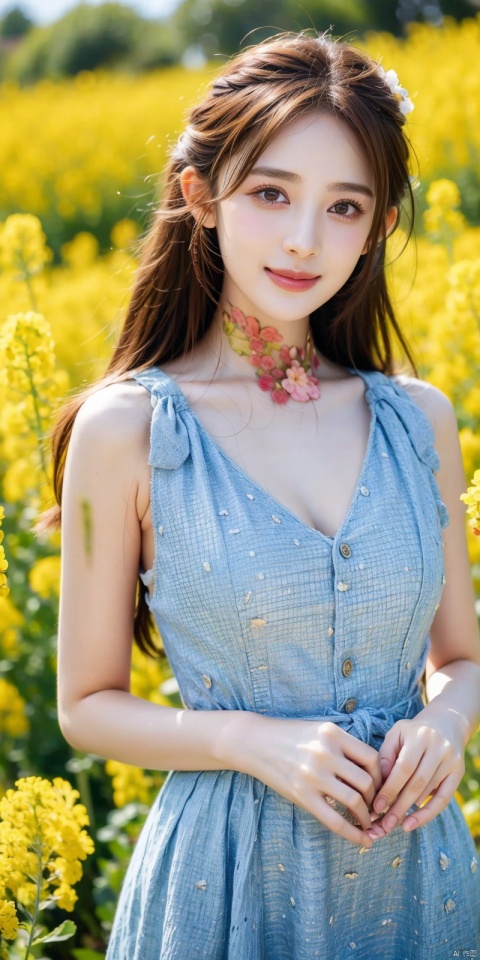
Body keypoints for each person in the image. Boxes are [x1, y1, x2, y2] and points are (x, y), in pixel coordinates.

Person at [46, 27, 480, 959]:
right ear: (201, 195)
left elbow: (463, 657)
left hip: (419, 882)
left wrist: (446, 721)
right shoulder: (124, 429)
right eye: (271, 193)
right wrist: (250, 739)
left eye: (345, 207)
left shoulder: (419, 419)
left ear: (382, 225)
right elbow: (85, 705)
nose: (303, 239)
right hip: (224, 877)